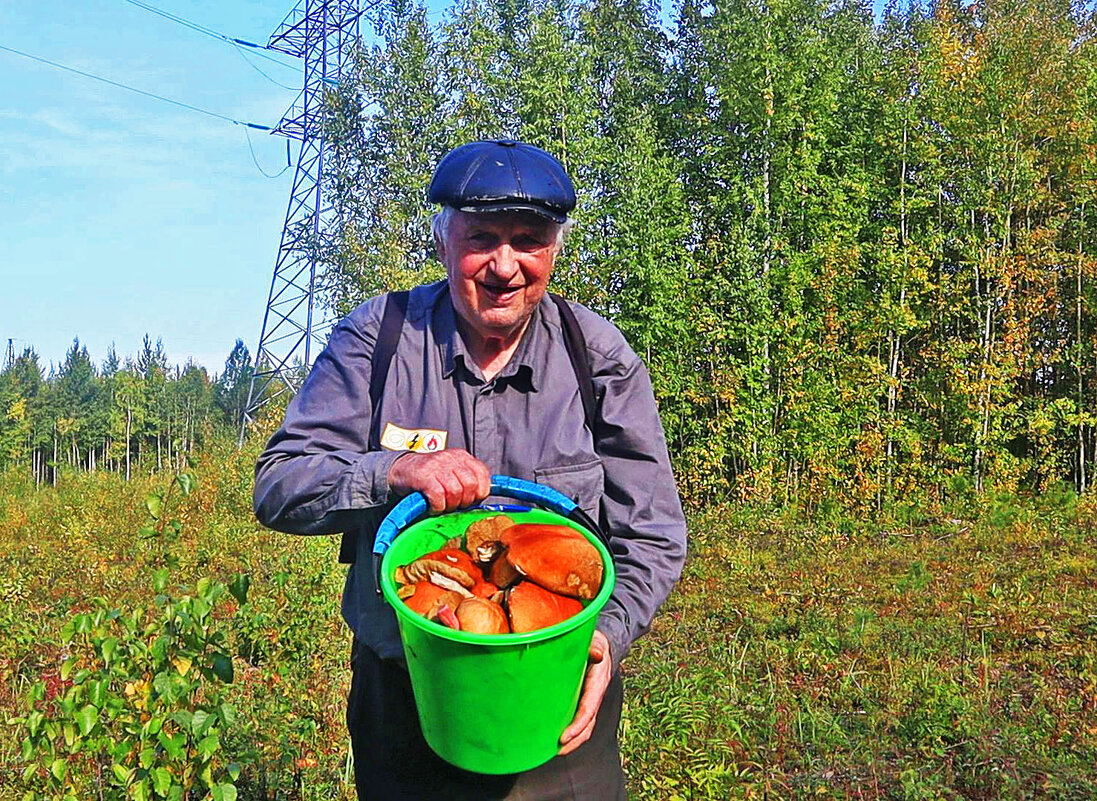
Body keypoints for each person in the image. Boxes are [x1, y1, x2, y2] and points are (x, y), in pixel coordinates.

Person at [253, 139, 687, 799]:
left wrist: (609, 632)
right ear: (441, 240)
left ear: (555, 250)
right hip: (408, 700)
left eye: (528, 240)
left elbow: (652, 528)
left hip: (556, 704)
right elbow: (280, 486)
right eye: (481, 237)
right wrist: (393, 470)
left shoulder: (596, 357)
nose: (504, 266)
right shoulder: (379, 340)